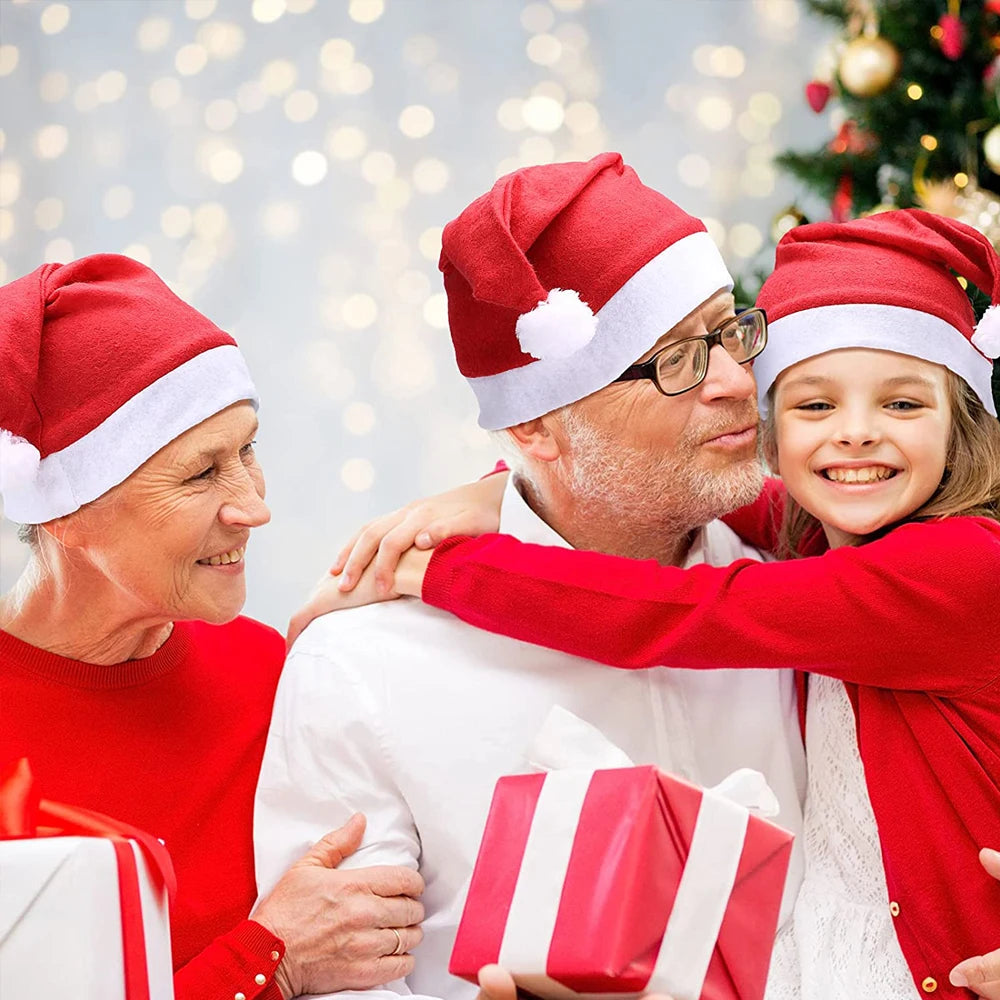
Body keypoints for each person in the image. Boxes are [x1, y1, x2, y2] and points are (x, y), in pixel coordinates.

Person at [307, 209, 1000, 999]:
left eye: (903, 406)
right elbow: (739, 498)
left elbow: (685, 611)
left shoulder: (956, 569)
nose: (854, 438)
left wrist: (443, 571)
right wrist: (500, 492)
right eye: (813, 407)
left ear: (962, 423)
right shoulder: (830, 538)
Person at [254, 152, 807, 1000]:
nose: (739, 382)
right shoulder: (362, 666)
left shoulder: (810, 592)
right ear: (542, 428)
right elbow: (340, 984)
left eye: (730, 329)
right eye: (675, 360)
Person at [0, 254, 425, 1000]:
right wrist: (268, 962)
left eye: (248, 450)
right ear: (64, 512)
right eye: (201, 474)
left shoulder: (268, 673)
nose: (254, 507)